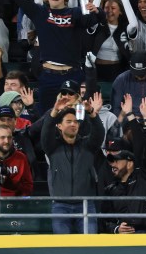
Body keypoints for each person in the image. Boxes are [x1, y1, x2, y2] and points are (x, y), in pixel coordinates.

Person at [13, 0, 102, 112]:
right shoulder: (40, 13)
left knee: (78, 116)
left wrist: (97, 10)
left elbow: (95, 19)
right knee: (46, 117)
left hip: (73, 75)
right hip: (48, 76)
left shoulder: (76, 13)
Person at [41, 93, 105, 234]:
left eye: (76, 121)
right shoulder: (52, 147)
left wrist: (91, 112)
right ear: (59, 126)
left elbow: (99, 133)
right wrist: (55, 110)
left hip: (86, 205)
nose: (73, 124)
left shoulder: (88, 146)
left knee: (89, 245)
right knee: (63, 248)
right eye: (68, 121)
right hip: (60, 205)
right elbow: (45, 133)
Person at [103, 150, 146, 234]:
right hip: (123, 238)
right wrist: (116, 229)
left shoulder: (145, 178)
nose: (113, 164)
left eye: (117, 161)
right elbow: (104, 220)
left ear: (129, 164)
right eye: (112, 162)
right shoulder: (110, 190)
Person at [110, 51, 146, 116]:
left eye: (143, 73)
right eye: (136, 74)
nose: (140, 77)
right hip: (128, 122)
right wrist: (129, 120)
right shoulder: (121, 79)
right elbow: (115, 108)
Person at [0, 124, 33, 197]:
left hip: (14, 201)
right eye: (2, 137)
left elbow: (28, 186)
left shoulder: (21, 158)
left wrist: (13, 184)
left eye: (9, 137)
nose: (7, 141)